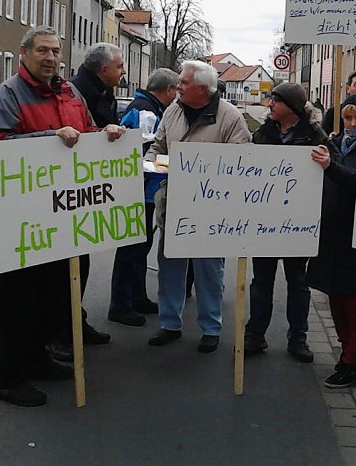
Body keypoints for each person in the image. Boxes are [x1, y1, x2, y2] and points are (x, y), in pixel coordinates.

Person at [0, 26, 125, 407]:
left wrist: (106, 134)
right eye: (42, 50)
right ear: (24, 53)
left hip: (62, 214)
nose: (50, 57)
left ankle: (37, 359)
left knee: (52, 292)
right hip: (25, 216)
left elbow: (86, 133)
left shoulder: (69, 91)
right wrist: (49, 138)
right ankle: (6, 377)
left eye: (55, 51)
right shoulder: (9, 93)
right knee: (17, 299)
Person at [145, 60, 251, 353]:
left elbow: (242, 160)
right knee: (170, 269)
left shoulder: (229, 117)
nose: (177, 86)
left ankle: (211, 328)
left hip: (211, 210)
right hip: (175, 204)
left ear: (203, 89)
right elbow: (157, 149)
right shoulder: (173, 111)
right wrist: (161, 164)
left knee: (209, 272)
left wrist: (206, 172)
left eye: (183, 83)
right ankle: (170, 324)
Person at [244, 82, 327, 362]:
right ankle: (255, 334)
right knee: (261, 282)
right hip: (265, 223)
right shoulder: (263, 134)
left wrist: (326, 161)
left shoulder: (314, 136)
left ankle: (298, 338)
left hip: (298, 224)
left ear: (291, 107)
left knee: (298, 282)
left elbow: (329, 171)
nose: (270, 105)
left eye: (275, 102)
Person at [308, 95, 356, 388]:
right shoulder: (333, 144)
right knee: (335, 298)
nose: (352, 124)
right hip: (331, 235)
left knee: (355, 303)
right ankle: (345, 349)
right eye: (348, 118)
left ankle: (353, 361)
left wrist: (331, 167)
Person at [57, 43, 127, 350]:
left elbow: (89, 130)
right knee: (61, 267)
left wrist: (107, 131)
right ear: (104, 70)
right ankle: (59, 332)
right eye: (120, 66)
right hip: (64, 187)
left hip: (84, 185)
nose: (123, 71)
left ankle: (74, 322)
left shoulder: (97, 93)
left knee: (79, 260)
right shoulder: (75, 92)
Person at [107, 68, 180, 327]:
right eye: (176, 91)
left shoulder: (145, 107)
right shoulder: (147, 112)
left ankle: (137, 297)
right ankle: (121, 304)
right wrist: (175, 165)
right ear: (168, 90)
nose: (176, 96)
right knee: (131, 247)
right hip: (139, 188)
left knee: (141, 245)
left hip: (142, 189)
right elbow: (143, 155)